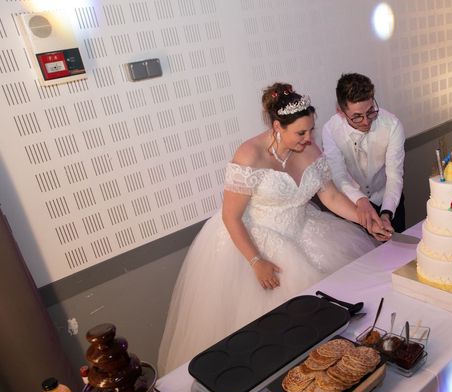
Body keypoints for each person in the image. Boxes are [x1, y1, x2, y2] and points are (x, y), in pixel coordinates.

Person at [158, 83, 380, 374]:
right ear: (277, 126)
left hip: (304, 229)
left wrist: (365, 219)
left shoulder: (310, 151)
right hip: (256, 241)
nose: (308, 138)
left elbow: (332, 197)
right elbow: (231, 217)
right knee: (277, 337)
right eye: (301, 133)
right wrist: (256, 261)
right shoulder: (249, 155)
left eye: (311, 130)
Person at [322, 73, 406, 233]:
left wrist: (386, 214)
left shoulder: (392, 125)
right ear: (340, 111)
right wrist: (360, 200)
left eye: (370, 112)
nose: (366, 121)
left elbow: (394, 175)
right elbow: (338, 175)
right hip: (352, 205)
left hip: (389, 199)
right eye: (357, 117)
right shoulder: (330, 130)